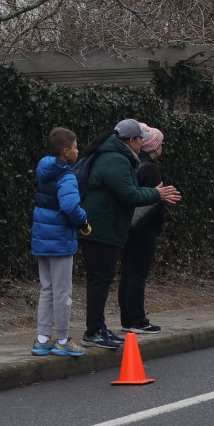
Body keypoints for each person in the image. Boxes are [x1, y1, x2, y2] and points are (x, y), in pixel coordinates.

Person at [79, 119, 181, 349]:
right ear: (132, 140)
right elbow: (129, 194)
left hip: (104, 226)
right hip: (103, 228)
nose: (141, 144)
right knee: (100, 281)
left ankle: (99, 328)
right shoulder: (115, 159)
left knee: (104, 279)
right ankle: (93, 331)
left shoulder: (111, 155)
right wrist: (157, 194)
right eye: (139, 140)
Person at [30, 127, 91, 357]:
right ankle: (63, 339)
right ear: (66, 151)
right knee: (63, 292)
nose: (78, 151)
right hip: (60, 240)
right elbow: (70, 207)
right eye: (75, 147)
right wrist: (83, 222)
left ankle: (43, 339)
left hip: (42, 238)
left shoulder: (44, 171)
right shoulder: (66, 176)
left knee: (47, 289)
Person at [118, 123, 166, 334]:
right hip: (144, 227)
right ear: (154, 146)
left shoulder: (131, 164)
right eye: (160, 143)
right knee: (138, 275)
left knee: (127, 273)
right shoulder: (151, 168)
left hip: (127, 226)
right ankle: (137, 319)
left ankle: (126, 318)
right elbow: (155, 200)